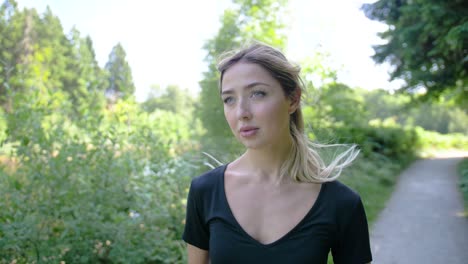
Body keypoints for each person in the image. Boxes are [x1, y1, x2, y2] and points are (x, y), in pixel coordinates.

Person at [182, 42, 372, 264]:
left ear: (292, 99)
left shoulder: (341, 203)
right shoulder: (205, 191)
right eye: (229, 99)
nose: (241, 112)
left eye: (257, 93)